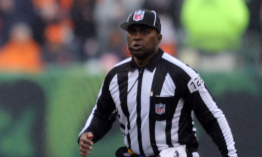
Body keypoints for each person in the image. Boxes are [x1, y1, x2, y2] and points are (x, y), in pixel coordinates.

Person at [77, 10, 238, 157]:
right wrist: (88, 132)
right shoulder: (116, 75)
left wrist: (230, 154)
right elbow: (101, 113)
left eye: (145, 32)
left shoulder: (179, 72)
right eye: (132, 31)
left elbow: (212, 116)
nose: (137, 36)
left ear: (158, 38)